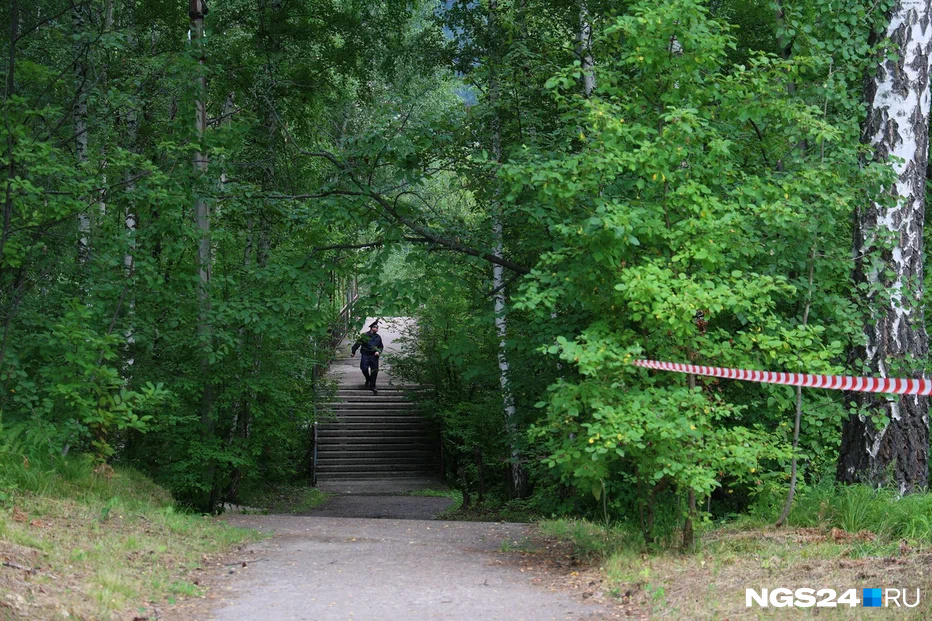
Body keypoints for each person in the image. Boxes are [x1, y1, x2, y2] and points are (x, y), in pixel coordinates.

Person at [351, 320, 384, 394]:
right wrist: (353, 351)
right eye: (375, 327)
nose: (376, 328)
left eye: (377, 327)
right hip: (365, 354)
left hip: (374, 355)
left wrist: (378, 351)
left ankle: (373, 386)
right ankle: (368, 379)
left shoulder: (378, 337)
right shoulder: (364, 335)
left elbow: (381, 346)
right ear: (371, 328)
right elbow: (357, 344)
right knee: (364, 368)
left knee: (374, 371)